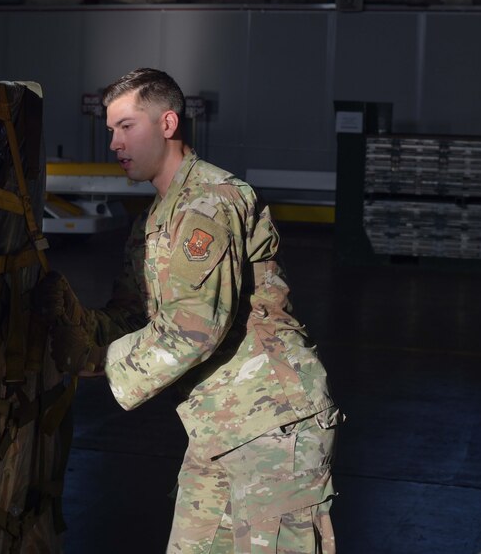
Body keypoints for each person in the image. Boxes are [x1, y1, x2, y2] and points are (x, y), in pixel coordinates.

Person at [36, 68, 341, 553]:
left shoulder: (210, 202)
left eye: (127, 126)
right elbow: (133, 317)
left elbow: (194, 331)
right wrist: (79, 321)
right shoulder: (154, 220)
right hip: (216, 426)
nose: (113, 142)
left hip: (272, 429)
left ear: (168, 124)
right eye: (110, 129)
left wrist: (94, 360)